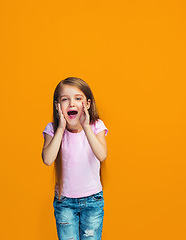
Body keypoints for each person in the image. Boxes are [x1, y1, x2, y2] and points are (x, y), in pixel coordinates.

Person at [42, 77, 108, 240]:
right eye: (65, 99)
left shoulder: (95, 126)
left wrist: (86, 127)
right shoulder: (53, 129)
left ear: (87, 104)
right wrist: (61, 128)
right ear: (58, 106)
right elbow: (48, 159)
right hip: (65, 203)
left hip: (93, 201)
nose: (71, 104)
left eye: (78, 98)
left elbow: (102, 155)